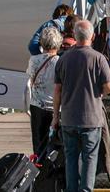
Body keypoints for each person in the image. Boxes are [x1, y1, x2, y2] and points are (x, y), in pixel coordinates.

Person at [52, 20, 110, 192]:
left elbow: (57, 90)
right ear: (92, 37)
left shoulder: (63, 59)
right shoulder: (99, 59)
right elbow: (109, 87)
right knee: (89, 158)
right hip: (91, 119)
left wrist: (56, 116)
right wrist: (98, 93)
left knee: (71, 159)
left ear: (75, 36)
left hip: (69, 118)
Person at [27, 26, 63, 155]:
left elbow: (29, 79)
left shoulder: (34, 60)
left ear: (42, 43)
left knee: (38, 144)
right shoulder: (60, 61)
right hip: (55, 107)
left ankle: (38, 169)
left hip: (37, 105)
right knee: (55, 144)